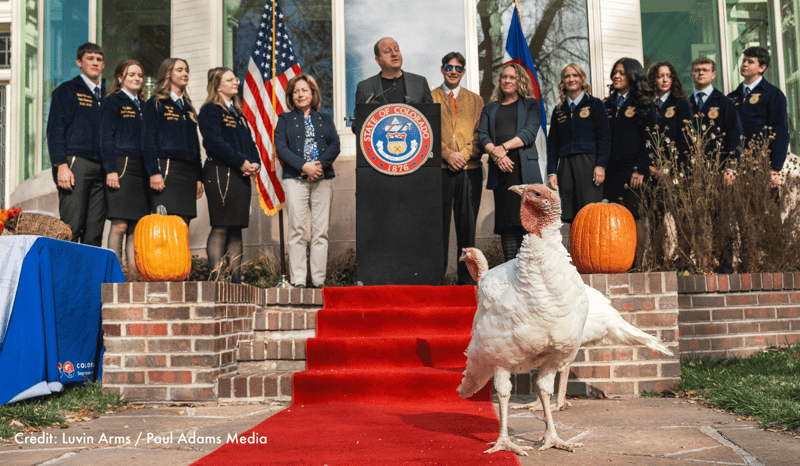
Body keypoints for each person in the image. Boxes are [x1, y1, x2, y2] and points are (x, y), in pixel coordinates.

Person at [275, 75, 341, 289]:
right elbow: (281, 148)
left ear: (313, 94)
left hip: (323, 178)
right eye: (296, 91)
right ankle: (299, 279)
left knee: (321, 230)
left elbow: (335, 145)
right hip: (295, 179)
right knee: (297, 229)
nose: (300, 94)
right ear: (291, 97)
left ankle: (319, 280)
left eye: (304, 90)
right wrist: (304, 166)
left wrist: (319, 165)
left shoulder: (325, 119)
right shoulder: (284, 120)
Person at [199, 67, 261, 284]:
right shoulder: (210, 110)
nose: (236, 81)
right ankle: (215, 281)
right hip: (220, 173)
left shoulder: (238, 113)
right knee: (222, 224)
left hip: (240, 174)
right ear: (217, 85)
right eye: (230, 79)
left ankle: (236, 282)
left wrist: (255, 163)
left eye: (235, 78)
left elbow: (250, 143)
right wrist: (241, 161)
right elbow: (214, 143)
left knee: (236, 227)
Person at [478, 63, 543, 262]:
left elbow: (529, 133)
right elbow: (482, 136)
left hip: (524, 170)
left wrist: (503, 148)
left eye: (512, 77)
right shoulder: (490, 108)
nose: (507, 81)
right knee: (507, 224)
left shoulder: (531, 104)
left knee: (528, 223)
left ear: (520, 80)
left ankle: (529, 271)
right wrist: (498, 155)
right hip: (501, 171)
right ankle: (511, 270)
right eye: (504, 77)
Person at [431, 52, 484, 285]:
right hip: (439, 171)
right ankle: (436, 278)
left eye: (458, 68)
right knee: (438, 226)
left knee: (467, 227)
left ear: (464, 72)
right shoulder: (429, 97)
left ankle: (467, 280)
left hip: (469, 169)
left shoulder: (476, 100)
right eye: (449, 67)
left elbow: (480, 134)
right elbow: (426, 132)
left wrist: (462, 155)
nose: (453, 71)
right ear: (442, 69)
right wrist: (446, 154)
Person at [46, 42, 107, 245]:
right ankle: (65, 277)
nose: (95, 63)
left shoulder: (108, 96)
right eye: (90, 58)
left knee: (94, 231)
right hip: (75, 164)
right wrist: (61, 165)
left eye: (99, 59)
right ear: (79, 62)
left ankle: (90, 278)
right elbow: (55, 130)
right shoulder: (67, 90)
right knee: (72, 228)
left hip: (102, 168)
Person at [546, 63, 611, 246]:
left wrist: (600, 165)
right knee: (572, 215)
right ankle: (577, 257)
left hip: (589, 164)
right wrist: (552, 171)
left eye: (575, 75)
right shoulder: (559, 110)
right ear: (563, 82)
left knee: (590, 212)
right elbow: (553, 145)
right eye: (567, 76)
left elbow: (604, 138)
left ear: (582, 79)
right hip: (566, 166)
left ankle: (594, 253)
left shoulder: (595, 104)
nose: (571, 79)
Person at [603, 58, 657, 268]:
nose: (616, 76)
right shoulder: (606, 105)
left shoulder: (644, 103)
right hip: (610, 171)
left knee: (634, 217)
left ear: (633, 75)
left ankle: (636, 265)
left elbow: (650, 138)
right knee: (612, 217)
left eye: (622, 73)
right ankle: (616, 262)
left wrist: (640, 169)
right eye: (615, 72)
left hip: (633, 170)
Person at [141, 58, 203, 226]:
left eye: (186, 70)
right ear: (168, 74)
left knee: (184, 224)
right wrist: (154, 171)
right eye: (180, 70)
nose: (185, 73)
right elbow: (147, 140)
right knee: (166, 225)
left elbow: (195, 144)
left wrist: (199, 177)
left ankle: (181, 254)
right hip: (167, 170)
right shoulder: (155, 103)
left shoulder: (188, 107)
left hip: (188, 172)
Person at [100, 59, 149, 263]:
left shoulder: (146, 106)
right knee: (119, 225)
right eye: (131, 75)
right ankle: (116, 275)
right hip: (122, 166)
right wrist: (111, 169)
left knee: (135, 227)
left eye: (140, 75)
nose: (137, 78)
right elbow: (105, 137)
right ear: (120, 78)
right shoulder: (113, 101)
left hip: (142, 170)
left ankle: (133, 277)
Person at [727, 46, 790, 185]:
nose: (744, 64)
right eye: (743, 60)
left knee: (763, 206)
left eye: (750, 62)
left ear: (762, 68)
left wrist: (775, 168)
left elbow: (780, 132)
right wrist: (728, 167)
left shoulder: (773, 94)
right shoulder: (731, 98)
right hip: (735, 169)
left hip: (762, 166)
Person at [689, 57, 743, 174]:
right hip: (691, 170)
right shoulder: (685, 104)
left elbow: (735, 135)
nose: (701, 73)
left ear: (713, 75)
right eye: (697, 70)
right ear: (691, 75)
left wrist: (731, 167)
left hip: (720, 168)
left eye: (705, 70)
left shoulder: (725, 103)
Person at [354, 37, 433, 106]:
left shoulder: (419, 82)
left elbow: (431, 118)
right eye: (387, 51)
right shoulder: (365, 88)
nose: (394, 54)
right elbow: (358, 121)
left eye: (397, 50)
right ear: (378, 59)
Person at [647, 60, 693, 168]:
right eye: (660, 76)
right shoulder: (646, 104)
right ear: (653, 79)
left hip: (675, 166)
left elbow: (686, 139)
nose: (665, 80)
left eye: (668, 76)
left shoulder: (681, 104)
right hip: (649, 167)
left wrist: (670, 164)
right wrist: (647, 166)